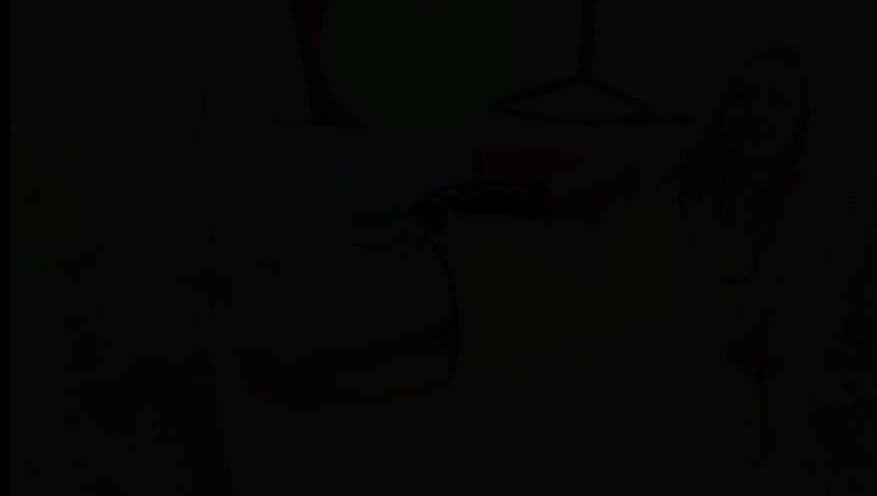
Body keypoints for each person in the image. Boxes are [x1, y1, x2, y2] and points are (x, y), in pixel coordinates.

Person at [200, 44, 811, 469]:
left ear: (801, 122)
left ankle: (270, 281)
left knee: (283, 390)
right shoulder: (662, 160)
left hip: (521, 346)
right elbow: (530, 197)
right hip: (489, 271)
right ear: (720, 107)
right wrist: (424, 218)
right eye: (743, 96)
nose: (757, 113)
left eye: (777, 101)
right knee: (273, 350)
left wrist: (778, 380)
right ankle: (249, 277)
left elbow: (747, 339)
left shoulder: (780, 232)